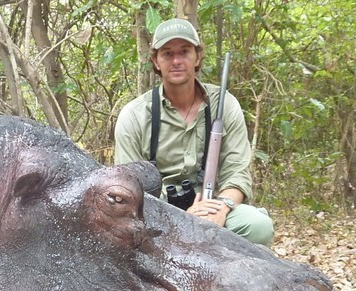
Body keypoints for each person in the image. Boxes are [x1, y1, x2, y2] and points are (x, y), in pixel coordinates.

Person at [114, 18, 274, 246]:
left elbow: (237, 174)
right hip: (157, 218)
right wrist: (183, 218)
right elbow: (130, 192)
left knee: (258, 226)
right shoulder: (134, 116)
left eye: (185, 52)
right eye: (167, 53)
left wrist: (221, 208)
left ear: (197, 57)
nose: (177, 60)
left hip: (214, 210)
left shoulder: (224, 105)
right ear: (156, 61)